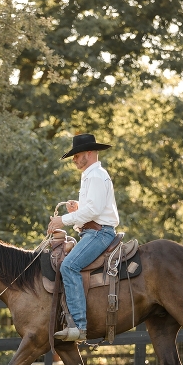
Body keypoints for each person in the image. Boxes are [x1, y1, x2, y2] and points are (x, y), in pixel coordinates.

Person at [47, 133, 120, 341]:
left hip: (100, 233)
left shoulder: (96, 176)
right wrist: (78, 209)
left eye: (77, 155)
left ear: (89, 152)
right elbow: (92, 210)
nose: (74, 159)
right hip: (93, 231)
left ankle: (79, 326)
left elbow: (94, 211)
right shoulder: (90, 175)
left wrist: (64, 219)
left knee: (69, 266)